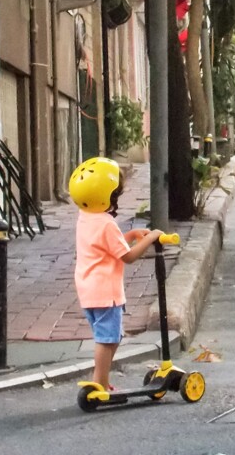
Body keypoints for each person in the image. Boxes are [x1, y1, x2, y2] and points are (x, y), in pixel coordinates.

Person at [69, 156, 163, 393]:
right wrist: (150, 238)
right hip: (105, 292)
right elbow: (128, 257)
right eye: (115, 194)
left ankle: (100, 378)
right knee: (107, 339)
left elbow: (105, 245)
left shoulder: (85, 217)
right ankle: (98, 381)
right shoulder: (106, 224)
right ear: (105, 196)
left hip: (88, 289)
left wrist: (130, 235)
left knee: (110, 336)